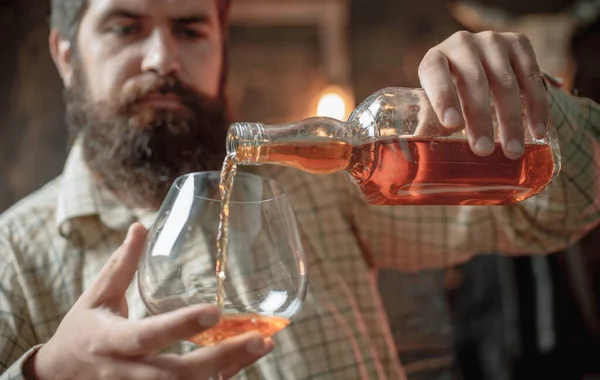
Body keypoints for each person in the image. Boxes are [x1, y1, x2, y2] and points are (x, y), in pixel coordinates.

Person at [1, 0, 599, 379]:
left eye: (189, 29)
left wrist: (530, 106)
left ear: (221, 48)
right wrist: (46, 372)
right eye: (124, 27)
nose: (163, 58)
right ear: (66, 55)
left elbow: (559, 213)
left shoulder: (327, 181)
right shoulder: (14, 252)